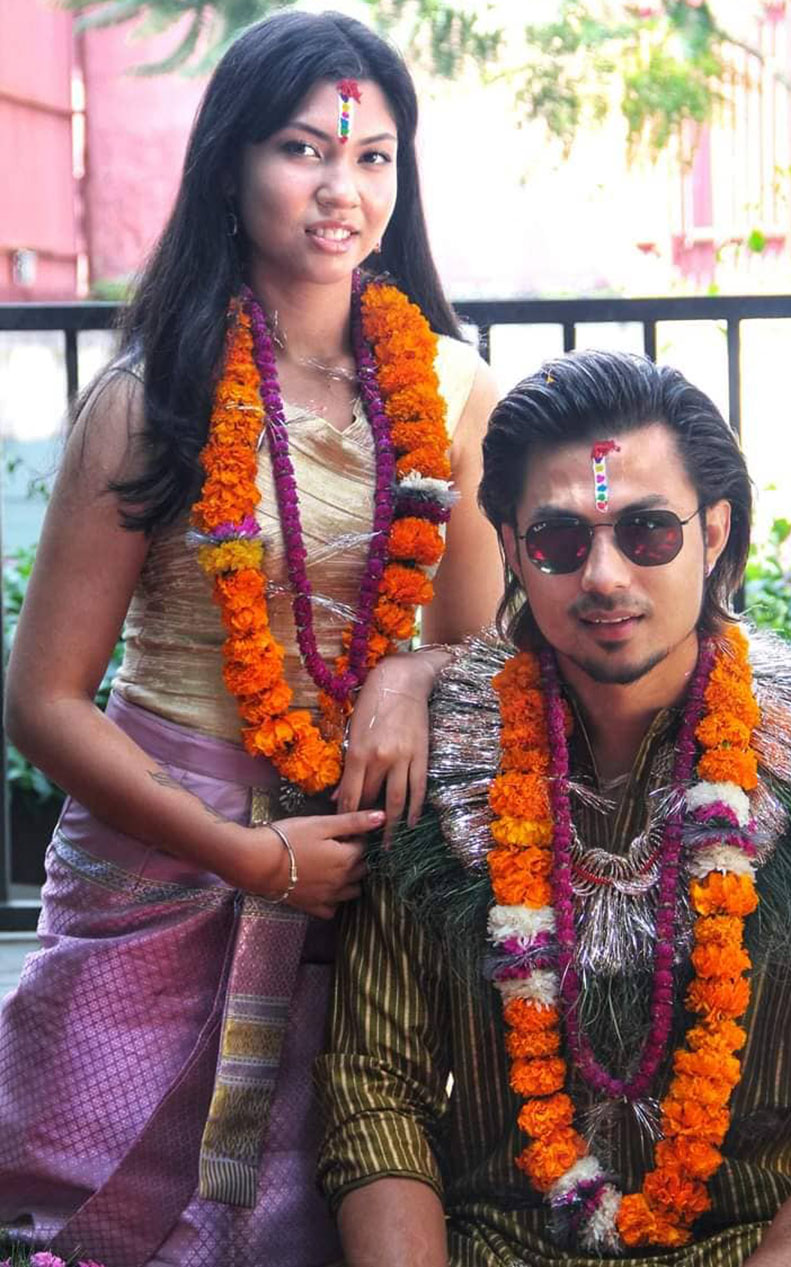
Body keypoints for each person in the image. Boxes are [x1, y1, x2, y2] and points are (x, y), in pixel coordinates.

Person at [0, 10, 500, 1266]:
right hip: (157, 855)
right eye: (301, 149)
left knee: (316, 1212)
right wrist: (248, 855)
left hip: (355, 866)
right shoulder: (149, 399)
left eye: (373, 157)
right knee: (93, 1223)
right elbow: (43, 699)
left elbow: (486, 652)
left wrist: (406, 671)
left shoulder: (452, 392)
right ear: (229, 162)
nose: (341, 189)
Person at [316, 350, 791, 1266]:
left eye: (648, 531)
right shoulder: (437, 771)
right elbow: (377, 1095)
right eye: (559, 541)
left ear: (714, 530)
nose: (605, 576)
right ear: (510, 547)